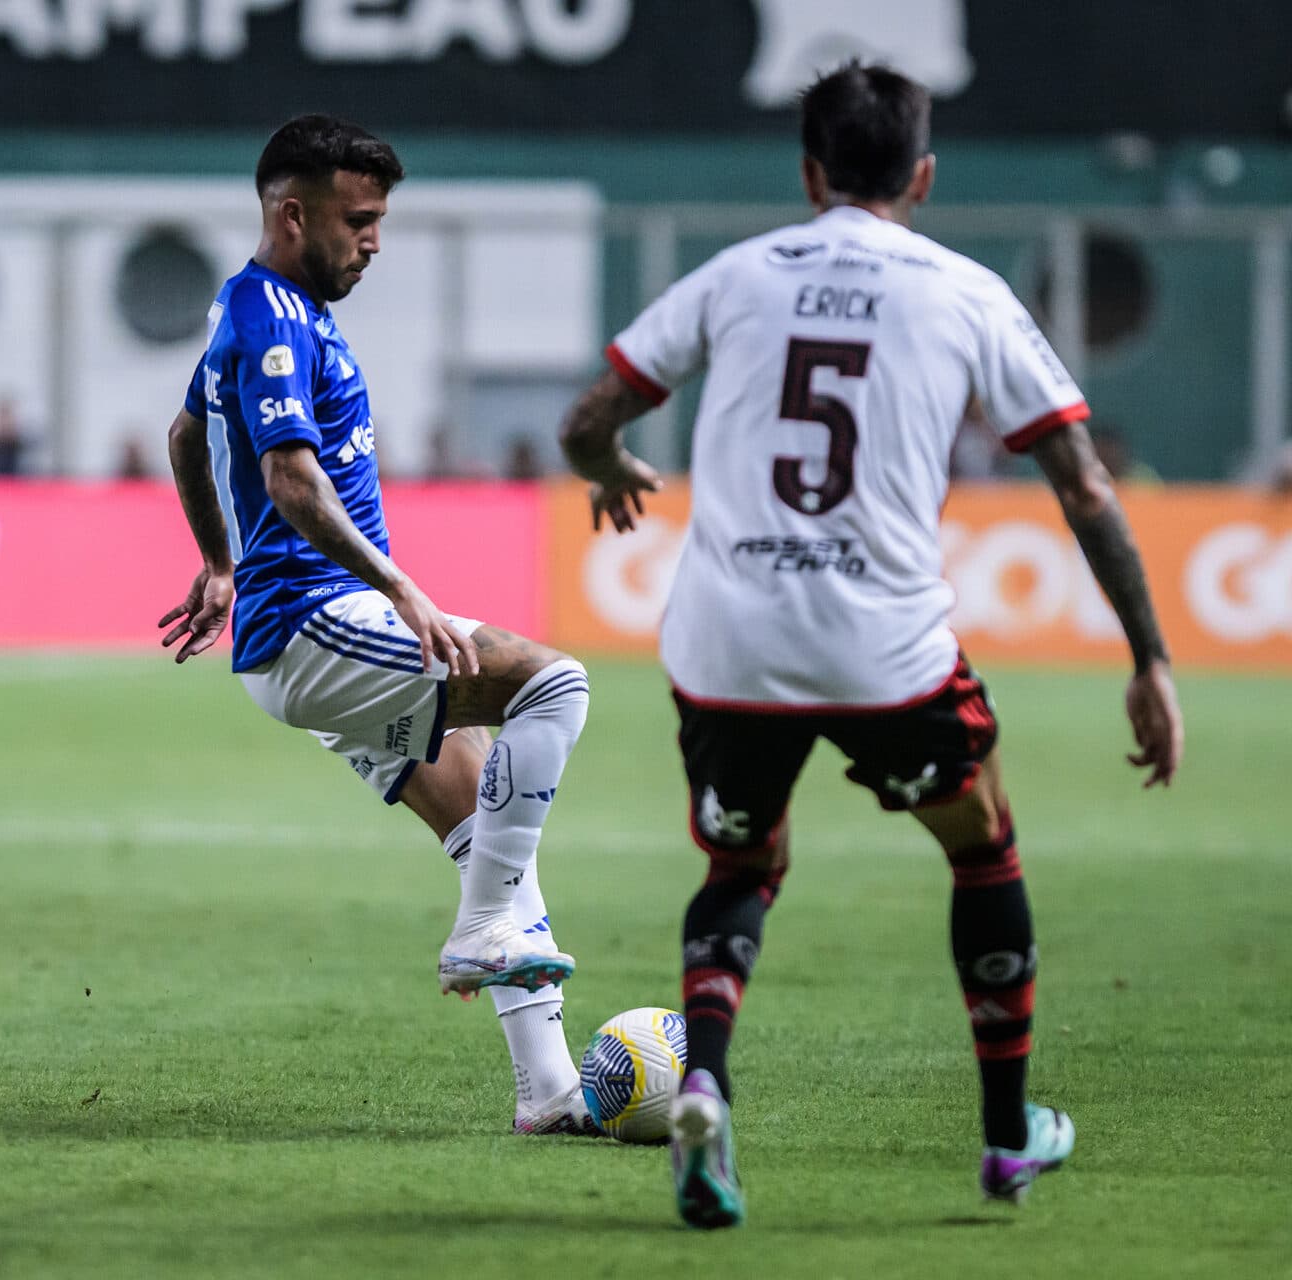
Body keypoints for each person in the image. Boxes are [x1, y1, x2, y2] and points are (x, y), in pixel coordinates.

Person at [558, 63, 1183, 1227]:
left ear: (809, 173)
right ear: (924, 176)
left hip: (731, 640)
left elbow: (589, 418)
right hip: (883, 643)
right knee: (981, 845)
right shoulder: (966, 291)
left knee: (741, 867)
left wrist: (604, 465)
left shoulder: (735, 273)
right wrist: (1149, 656)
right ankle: (1008, 1134)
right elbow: (1085, 486)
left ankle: (705, 1085)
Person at [158, 115, 599, 1135]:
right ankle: (483, 929)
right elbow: (289, 477)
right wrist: (402, 588)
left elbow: (185, 432)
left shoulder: (264, 309)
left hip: (304, 629)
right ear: (292, 214)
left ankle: (547, 1090)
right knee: (554, 684)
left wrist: (220, 560)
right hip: (317, 622)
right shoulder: (272, 314)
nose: (374, 241)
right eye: (358, 220)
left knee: (488, 818)